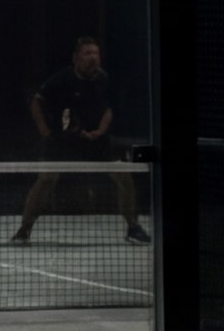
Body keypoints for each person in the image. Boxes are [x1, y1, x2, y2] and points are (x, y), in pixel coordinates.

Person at [10, 35, 150, 246]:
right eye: (88, 53)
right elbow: (37, 102)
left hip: (96, 141)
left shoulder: (103, 78)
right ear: (76, 57)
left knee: (124, 177)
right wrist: (45, 131)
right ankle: (24, 230)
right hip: (62, 141)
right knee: (46, 180)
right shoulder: (61, 79)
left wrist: (100, 131)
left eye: (96, 53)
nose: (93, 58)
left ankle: (133, 228)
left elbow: (108, 109)